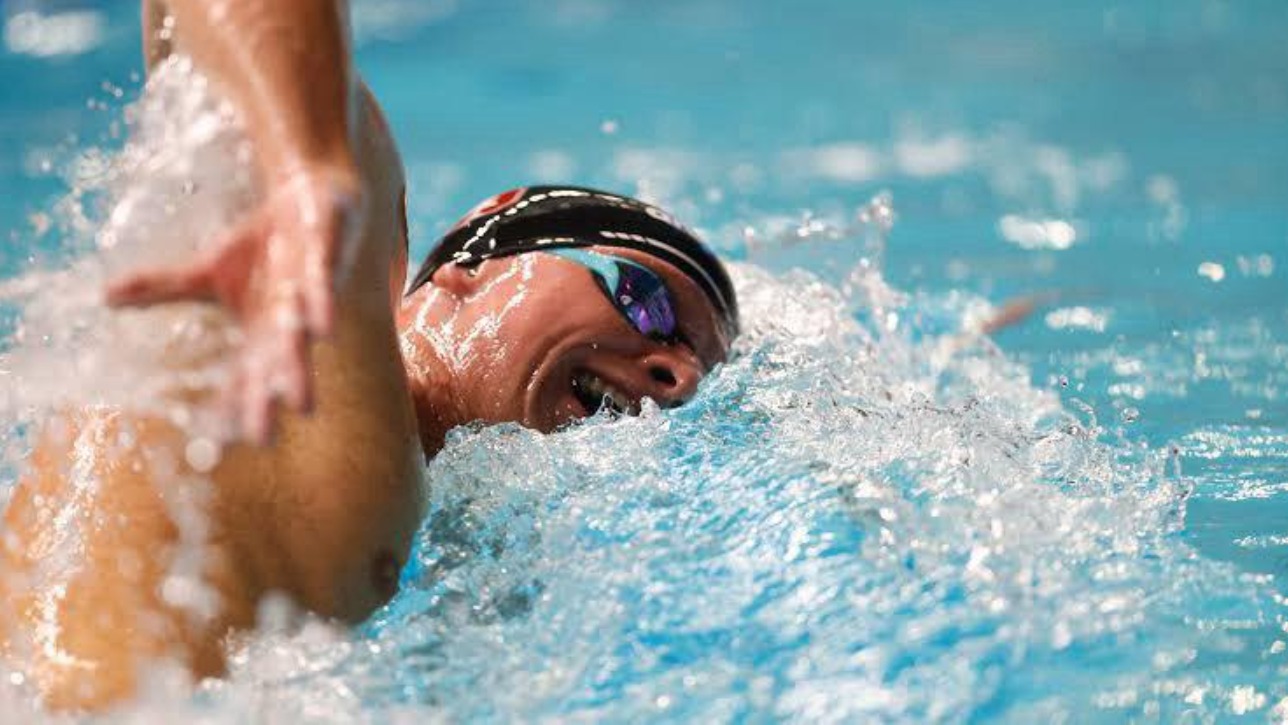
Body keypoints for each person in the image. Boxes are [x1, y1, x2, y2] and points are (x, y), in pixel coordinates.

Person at [0, 0, 737, 712]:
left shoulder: (439, 543)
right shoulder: (296, 338)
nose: (677, 377)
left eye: (695, 372)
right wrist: (306, 167)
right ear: (475, 260)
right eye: (645, 301)